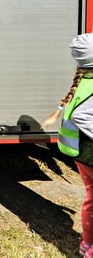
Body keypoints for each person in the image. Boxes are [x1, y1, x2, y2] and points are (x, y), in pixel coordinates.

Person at [45, 33, 93, 257]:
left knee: (91, 200)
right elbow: (83, 116)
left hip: (82, 154)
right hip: (90, 152)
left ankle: (87, 243)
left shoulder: (84, 78)